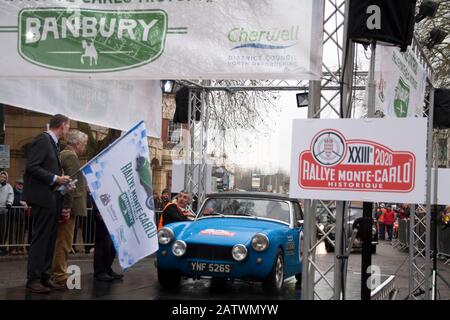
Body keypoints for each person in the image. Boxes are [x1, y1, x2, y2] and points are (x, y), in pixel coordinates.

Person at [22, 114, 72, 293]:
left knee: (50, 240)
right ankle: (33, 279)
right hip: (42, 198)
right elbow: (32, 167)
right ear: (61, 126)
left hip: (52, 198)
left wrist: (62, 182)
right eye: (68, 126)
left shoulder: (54, 144)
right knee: (41, 239)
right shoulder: (43, 140)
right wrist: (56, 178)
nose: (68, 130)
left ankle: (44, 276)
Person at [51, 130, 88, 286]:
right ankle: (59, 274)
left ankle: (57, 272)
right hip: (70, 206)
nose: (85, 148)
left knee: (62, 241)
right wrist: (67, 207)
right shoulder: (70, 156)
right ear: (77, 144)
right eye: (84, 144)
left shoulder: (64, 154)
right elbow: (70, 185)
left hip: (67, 205)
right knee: (64, 242)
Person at [92, 194, 123, 282]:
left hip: (113, 212)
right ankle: (100, 271)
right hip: (103, 211)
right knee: (102, 243)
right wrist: (99, 210)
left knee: (112, 244)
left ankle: (107, 268)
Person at [9, 178, 28, 255]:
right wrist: (20, 202)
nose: (21, 185)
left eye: (22, 184)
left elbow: (27, 201)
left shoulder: (24, 193)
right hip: (13, 215)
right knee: (13, 232)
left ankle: (19, 248)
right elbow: (11, 201)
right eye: (19, 184)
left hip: (22, 216)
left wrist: (26, 203)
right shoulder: (12, 191)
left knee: (21, 233)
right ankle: (12, 249)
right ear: (15, 184)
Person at [0, 171, 14, 256]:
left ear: (6, 178)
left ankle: (1, 247)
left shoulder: (8, 186)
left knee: (3, 230)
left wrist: (9, 203)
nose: (2, 178)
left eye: (4, 177)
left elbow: (11, 195)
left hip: (3, 211)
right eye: (1, 177)